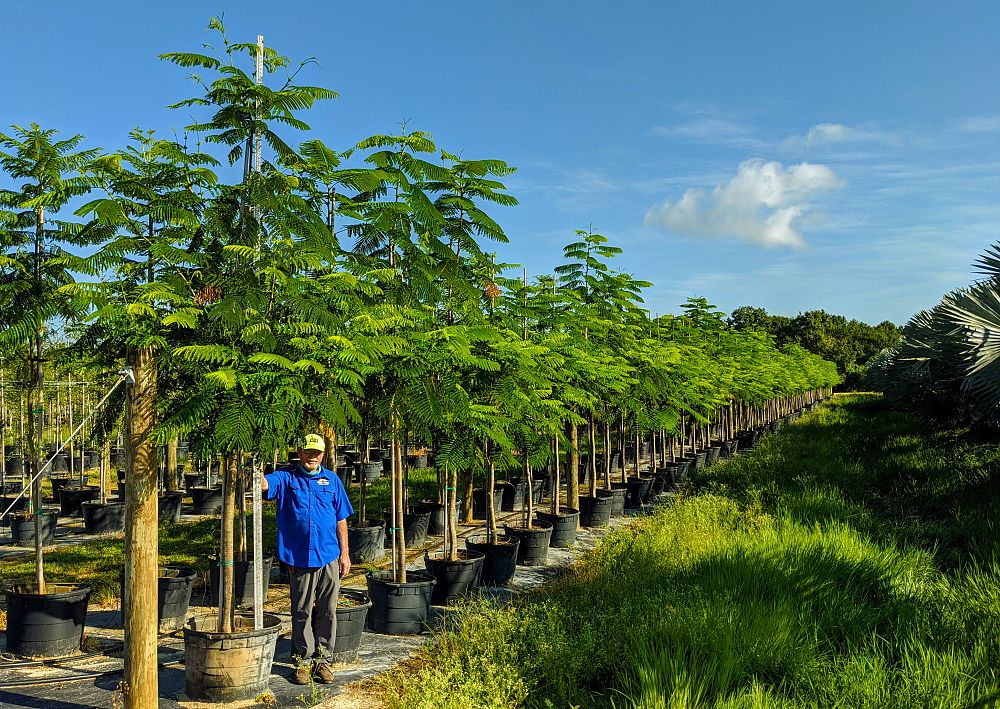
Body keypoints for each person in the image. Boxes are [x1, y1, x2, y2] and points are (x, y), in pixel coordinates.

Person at [263, 433, 353, 685]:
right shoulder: (286, 478)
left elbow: (341, 518)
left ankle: (322, 660)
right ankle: (302, 661)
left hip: (328, 557)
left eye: (317, 452)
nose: (312, 456)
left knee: (328, 610)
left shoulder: (332, 481)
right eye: (308, 451)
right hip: (299, 558)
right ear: (299, 453)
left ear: (323, 454)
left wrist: (345, 554)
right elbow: (263, 485)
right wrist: (254, 468)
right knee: (301, 611)